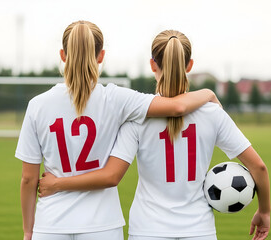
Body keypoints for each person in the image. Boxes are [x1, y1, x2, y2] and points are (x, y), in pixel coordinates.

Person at [38, 30, 271, 240]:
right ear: (189, 65)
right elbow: (258, 167)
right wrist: (264, 211)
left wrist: (58, 183)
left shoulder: (137, 118)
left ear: (152, 64)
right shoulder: (212, 113)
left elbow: (111, 175)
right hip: (198, 229)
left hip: (147, 230)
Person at [16, 21, 220, 240]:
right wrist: (207, 93)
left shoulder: (38, 105)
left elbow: (29, 180)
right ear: (101, 55)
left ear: (63, 55)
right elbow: (178, 107)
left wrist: (29, 230)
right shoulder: (116, 98)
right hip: (102, 224)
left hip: (51, 224)